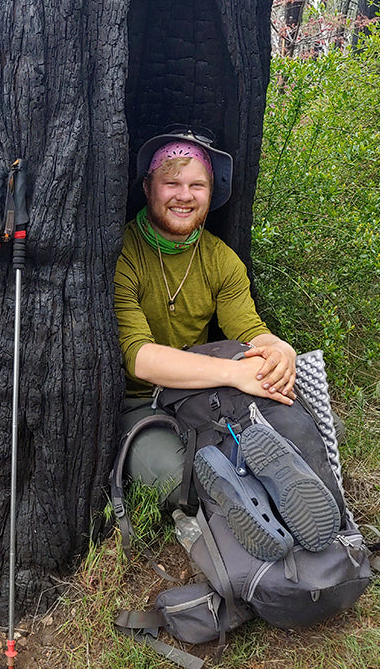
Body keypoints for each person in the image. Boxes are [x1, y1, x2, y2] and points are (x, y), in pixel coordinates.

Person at [114, 128, 298, 506]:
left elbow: (249, 329)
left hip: (200, 393)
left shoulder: (221, 259)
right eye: (172, 183)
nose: (185, 196)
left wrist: (278, 349)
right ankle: (247, 493)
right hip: (136, 401)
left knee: (312, 431)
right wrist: (235, 374)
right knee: (179, 485)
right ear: (148, 188)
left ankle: (265, 491)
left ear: (211, 193)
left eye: (197, 185)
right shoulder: (123, 252)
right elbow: (139, 358)